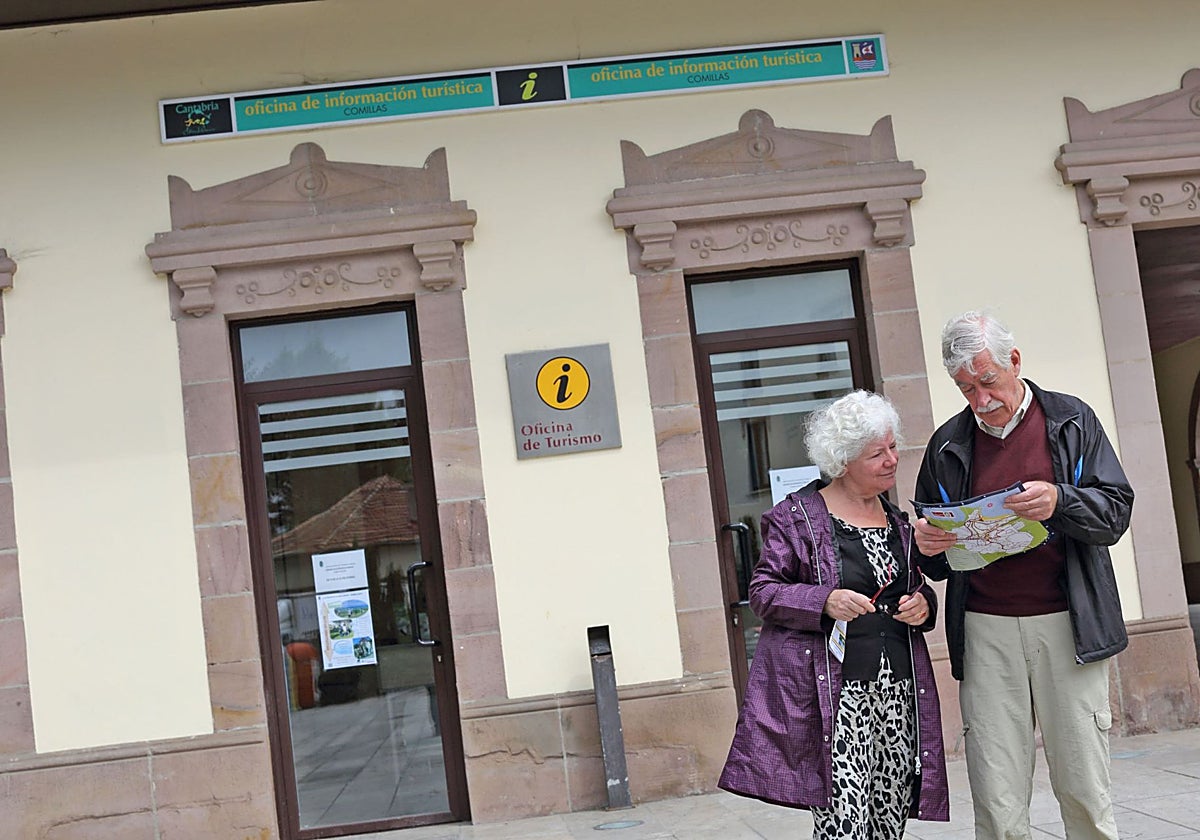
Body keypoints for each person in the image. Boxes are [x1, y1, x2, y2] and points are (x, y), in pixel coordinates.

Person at [913, 311, 1133, 840]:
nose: (980, 399)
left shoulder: (1072, 420)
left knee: (1083, 783)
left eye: (987, 381)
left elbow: (1116, 511)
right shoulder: (947, 444)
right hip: (986, 630)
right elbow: (935, 557)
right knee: (996, 791)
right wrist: (929, 546)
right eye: (965, 388)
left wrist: (1061, 500)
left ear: (1014, 361)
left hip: (1069, 624)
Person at [720, 390, 949, 838]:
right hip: (837, 699)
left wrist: (925, 605)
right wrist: (823, 600)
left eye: (891, 447)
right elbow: (763, 591)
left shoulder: (897, 519)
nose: (891, 460)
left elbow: (914, 587)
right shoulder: (797, 518)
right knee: (844, 826)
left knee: (889, 820)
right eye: (875, 454)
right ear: (844, 462)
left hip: (898, 693)